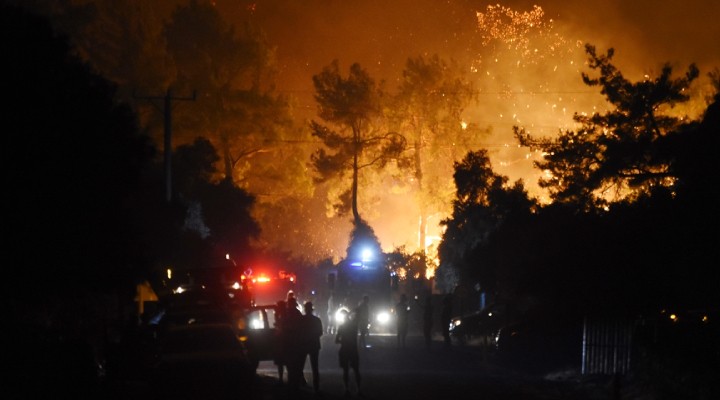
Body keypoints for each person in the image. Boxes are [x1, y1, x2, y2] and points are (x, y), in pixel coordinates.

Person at [335, 309, 361, 397]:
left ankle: (347, 389)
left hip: (344, 349)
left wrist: (343, 341)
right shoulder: (354, 325)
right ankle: (359, 389)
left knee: (345, 371)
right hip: (353, 349)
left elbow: (336, 340)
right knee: (356, 370)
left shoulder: (341, 327)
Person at [301, 301, 323, 393]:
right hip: (314, 345)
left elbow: (298, 332)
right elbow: (320, 332)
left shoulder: (301, 320)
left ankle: (301, 383)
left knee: (300, 365)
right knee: (315, 367)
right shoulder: (317, 320)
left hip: (304, 345)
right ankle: (316, 387)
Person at [273, 300, 288, 384]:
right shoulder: (282, 315)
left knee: (283, 362)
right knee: (282, 362)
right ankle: (282, 379)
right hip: (283, 341)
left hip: (284, 341)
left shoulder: (284, 316)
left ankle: (282, 379)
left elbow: (281, 328)